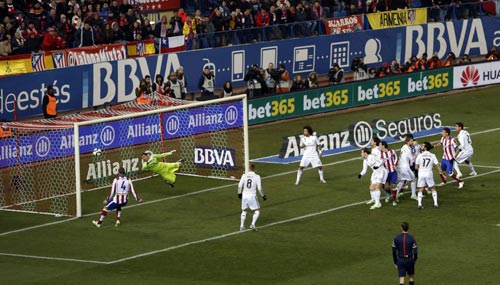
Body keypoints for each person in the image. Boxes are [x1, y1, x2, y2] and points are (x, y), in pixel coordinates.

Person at [238, 164, 267, 231]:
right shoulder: (257, 176)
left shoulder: (244, 175)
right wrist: (263, 196)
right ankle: (252, 224)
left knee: (244, 210)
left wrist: (239, 194)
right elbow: (259, 188)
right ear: (254, 169)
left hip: (244, 195)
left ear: (249, 168)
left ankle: (241, 226)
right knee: (257, 210)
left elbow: (239, 186)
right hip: (252, 196)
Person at [415, 142, 443, 209]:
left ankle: (419, 204)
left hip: (421, 173)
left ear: (425, 147)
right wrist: (441, 173)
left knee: (420, 189)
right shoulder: (432, 155)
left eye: (423, 145)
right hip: (429, 173)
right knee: (433, 188)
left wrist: (421, 170)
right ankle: (435, 204)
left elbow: (416, 167)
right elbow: (437, 165)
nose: (421, 146)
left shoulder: (419, 155)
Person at [394, 135, 417, 201]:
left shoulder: (404, 147)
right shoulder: (407, 148)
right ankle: (413, 195)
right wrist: (415, 155)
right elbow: (412, 158)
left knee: (402, 181)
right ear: (407, 142)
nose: (412, 142)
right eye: (411, 141)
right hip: (405, 167)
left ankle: (395, 196)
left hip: (400, 167)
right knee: (413, 179)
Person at [380, 141, 399, 206]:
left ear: (383, 146)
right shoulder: (380, 154)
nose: (379, 147)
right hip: (385, 173)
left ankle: (394, 200)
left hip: (393, 171)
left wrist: (395, 164)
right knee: (386, 187)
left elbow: (396, 158)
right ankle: (388, 194)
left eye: (380, 145)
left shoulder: (391, 151)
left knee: (393, 185)